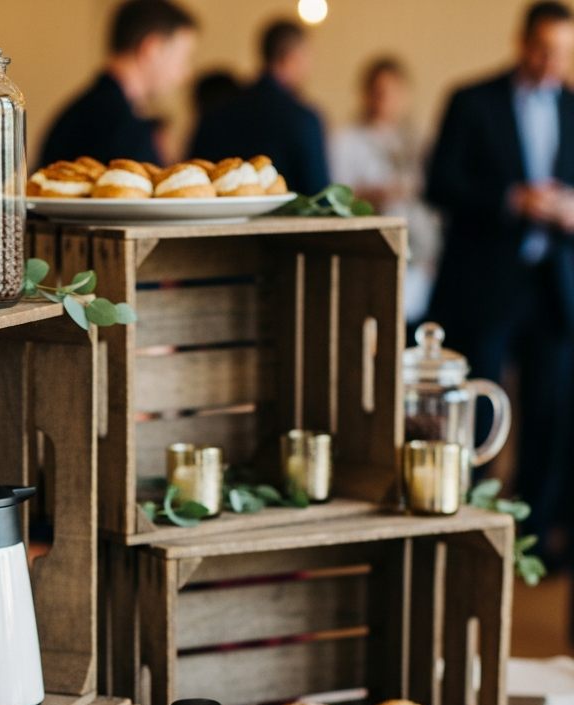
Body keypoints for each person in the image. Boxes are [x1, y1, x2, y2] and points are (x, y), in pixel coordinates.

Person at [426, 1, 574, 561]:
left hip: (553, 288)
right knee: (478, 410)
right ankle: (466, 533)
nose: (550, 60)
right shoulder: (471, 100)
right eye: (542, 48)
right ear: (521, 42)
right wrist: (513, 199)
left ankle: (529, 539)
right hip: (486, 286)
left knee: (549, 415)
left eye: (561, 51)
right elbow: (440, 182)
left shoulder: (572, 107)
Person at [331, 58, 441, 324]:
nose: (385, 98)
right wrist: (378, 194)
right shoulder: (346, 139)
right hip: (367, 250)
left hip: (417, 252)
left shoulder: (416, 142)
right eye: (379, 91)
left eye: (392, 91)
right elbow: (336, 194)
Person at [39, 0, 198, 168]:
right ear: (152, 49)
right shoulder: (124, 126)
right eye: (182, 58)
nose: (185, 74)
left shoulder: (81, 111)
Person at [191, 19, 329, 195]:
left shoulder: (216, 110)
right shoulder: (303, 118)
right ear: (291, 57)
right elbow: (318, 194)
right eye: (308, 56)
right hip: (284, 220)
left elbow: (194, 172)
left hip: (217, 220)